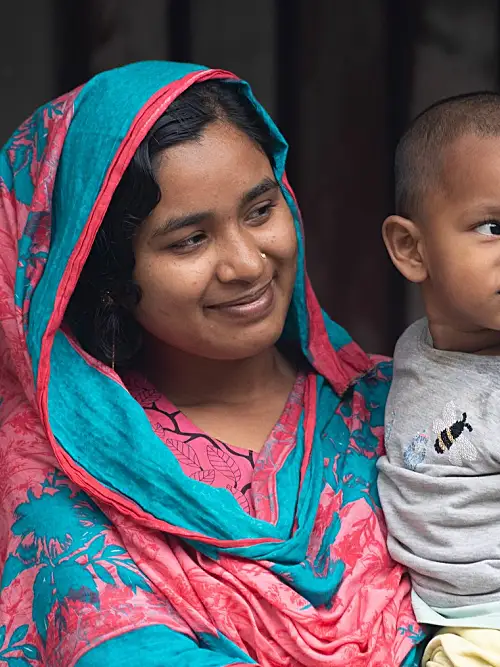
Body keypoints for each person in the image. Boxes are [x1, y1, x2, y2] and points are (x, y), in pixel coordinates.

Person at [0, 61, 423, 666]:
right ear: (105, 274)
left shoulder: (404, 406)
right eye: (190, 240)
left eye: (259, 211)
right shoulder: (52, 470)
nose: (247, 264)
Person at [379, 92, 500, 667]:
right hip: (463, 619)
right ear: (411, 247)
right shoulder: (419, 353)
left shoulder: (427, 345)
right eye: (493, 225)